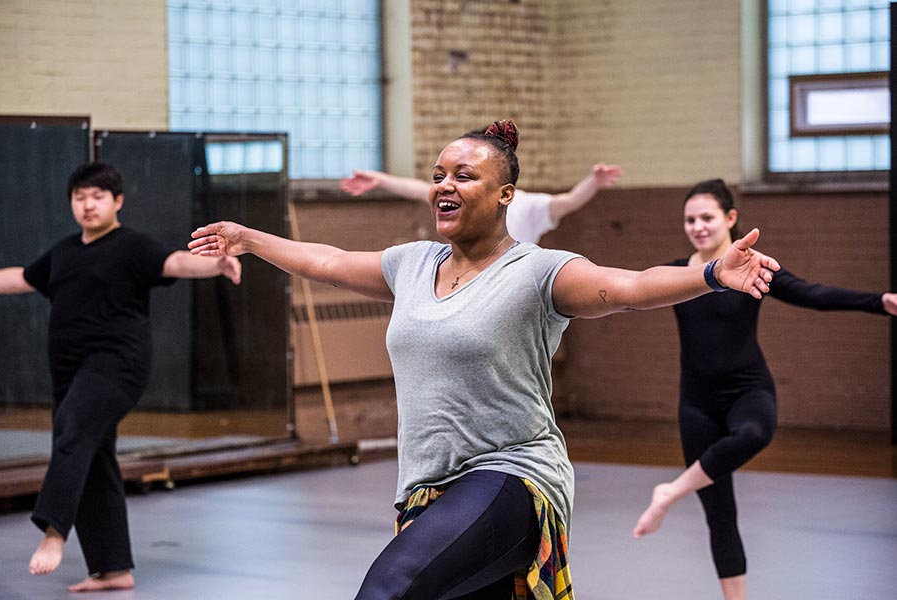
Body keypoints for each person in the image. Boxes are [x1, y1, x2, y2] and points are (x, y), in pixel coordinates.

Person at [190, 121, 779, 599]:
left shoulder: (538, 272)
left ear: (504, 196)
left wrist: (709, 275)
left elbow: (623, 287)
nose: (444, 184)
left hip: (513, 474)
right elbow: (327, 261)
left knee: (389, 588)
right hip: (429, 487)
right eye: (438, 174)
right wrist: (249, 238)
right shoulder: (412, 265)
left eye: (465, 176)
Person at [632, 178, 897, 600]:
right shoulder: (680, 273)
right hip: (696, 404)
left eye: (707, 217)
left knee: (756, 432)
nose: (697, 226)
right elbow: (635, 292)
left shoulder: (751, 266)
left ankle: (671, 490)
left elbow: (811, 293)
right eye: (689, 220)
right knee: (720, 516)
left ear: (730, 218)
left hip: (746, 389)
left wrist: (876, 301)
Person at [0, 162, 242, 593]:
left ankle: (54, 530)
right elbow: (20, 278)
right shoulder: (63, 252)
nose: (88, 205)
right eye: (80, 197)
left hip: (117, 365)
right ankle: (113, 569)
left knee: (72, 430)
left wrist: (216, 266)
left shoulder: (132, 246)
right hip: (69, 371)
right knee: (93, 457)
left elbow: (177, 263)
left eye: (97, 197)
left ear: (117, 202)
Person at [340, 162, 622, 244]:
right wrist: (379, 179)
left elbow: (569, 201)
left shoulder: (526, 205)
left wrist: (594, 181)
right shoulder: (462, 196)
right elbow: (420, 189)